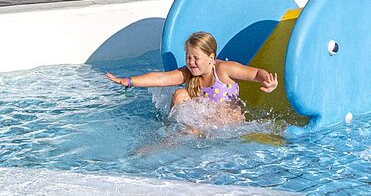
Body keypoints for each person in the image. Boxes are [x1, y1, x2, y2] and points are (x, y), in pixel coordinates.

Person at [105, 31, 279, 127]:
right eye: (188, 57)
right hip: (204, 124)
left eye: (196, 58)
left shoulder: (223, 70)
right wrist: (129, 81)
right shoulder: (188, 73)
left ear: (211, 57)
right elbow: (159, 78)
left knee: (225, 113)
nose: (191, 62)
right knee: (180, 94)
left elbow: (256, 73)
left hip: (228, 126)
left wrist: (268, 80)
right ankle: (175, 132)